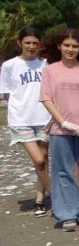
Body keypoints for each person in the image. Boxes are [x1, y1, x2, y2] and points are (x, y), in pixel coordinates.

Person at [39, 29, 79, 231]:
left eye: (75, 46)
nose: (70, 49)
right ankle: (66, 213)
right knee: (62, 172)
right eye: (66, 45)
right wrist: (63, 122)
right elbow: (46, 98)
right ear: (59, 46)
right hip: (60, 129)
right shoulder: (50, 70)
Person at [0, 27, 51, 216]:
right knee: (38, 159)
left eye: (35, 43)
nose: (31, 46)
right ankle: (57, 196)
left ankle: (40, 198)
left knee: (44, 160)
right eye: (27, 42)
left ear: (40, 45)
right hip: (21, 118)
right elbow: (6, 93)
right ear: (19, 43)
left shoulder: (45, 64)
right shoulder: (9, 66)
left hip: (44, 117)